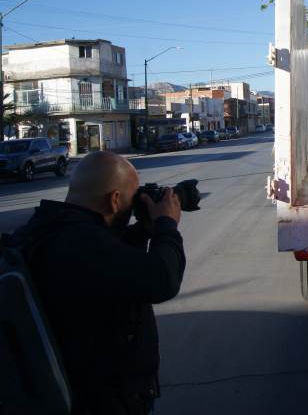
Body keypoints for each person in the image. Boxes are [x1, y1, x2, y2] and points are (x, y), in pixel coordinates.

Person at [11, 150, 185, 414]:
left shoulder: (50, 230)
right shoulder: (83, 244)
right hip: (99, 400)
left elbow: (114, 263)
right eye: (131, 198)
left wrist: (143, 230)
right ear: (115, 199)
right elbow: (162, 279)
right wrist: (166, 225)